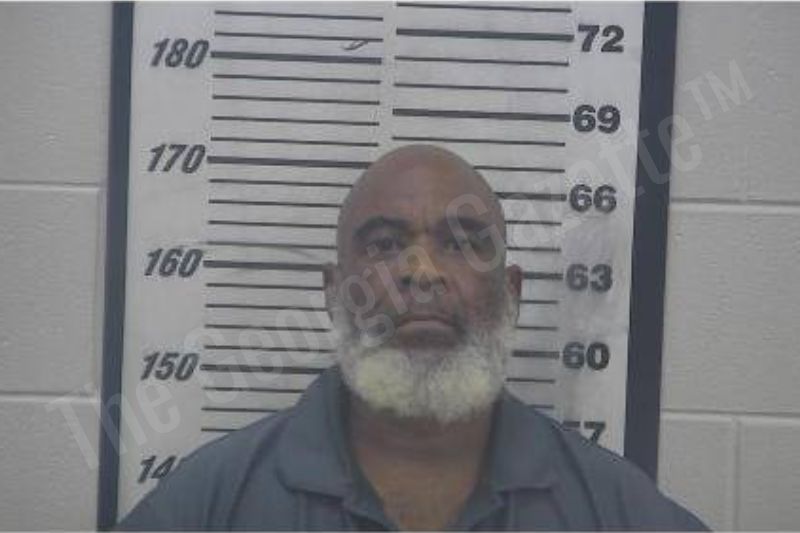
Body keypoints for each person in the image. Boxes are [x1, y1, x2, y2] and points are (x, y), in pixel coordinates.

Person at [117, 144, 708, 531]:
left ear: (512, 292)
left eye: (461, 243)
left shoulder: (615, 510)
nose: (421, 272)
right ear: (333, 292)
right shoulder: (210, 503)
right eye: (383, 245)